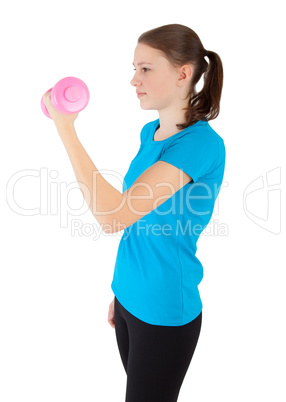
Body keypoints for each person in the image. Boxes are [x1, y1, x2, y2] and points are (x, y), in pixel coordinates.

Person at [43, 23, 225, 402]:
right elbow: (137, 219)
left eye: (145, 69)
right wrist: (122, 293)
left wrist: (66, 130)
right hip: (128, 300)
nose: (134, 80)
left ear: (183, 74)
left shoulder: (200, 146)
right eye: (134, 68)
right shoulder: (150, 133)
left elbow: (113, 218)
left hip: (163, 312)